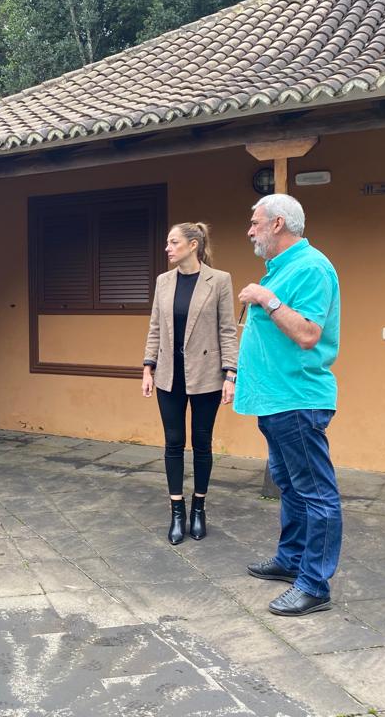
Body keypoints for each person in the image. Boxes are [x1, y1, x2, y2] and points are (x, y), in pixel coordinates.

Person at [235, 193, 341, 617]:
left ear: (277, 224)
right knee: (291, 484)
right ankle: (291, 559)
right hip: (275, 400)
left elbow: (309, 333)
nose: (250, 230)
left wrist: (267, 298)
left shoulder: (312, 267)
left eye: (255, 222)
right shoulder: (281, 269)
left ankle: (314, 584)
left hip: (297, 398)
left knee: (316, 493)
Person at [143, 222, 238, 545]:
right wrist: (147, 367)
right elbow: (155, 327)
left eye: (173, 242)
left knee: (201, 441)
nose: (167, 248)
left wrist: (231, 374)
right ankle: (177, 512)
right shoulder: (163, 282)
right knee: (172, 442)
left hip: (207, 374)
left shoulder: (219, 280)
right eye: (167, 242)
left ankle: (199, 507)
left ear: (193, 244)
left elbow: (228, 329)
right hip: (169, 374)